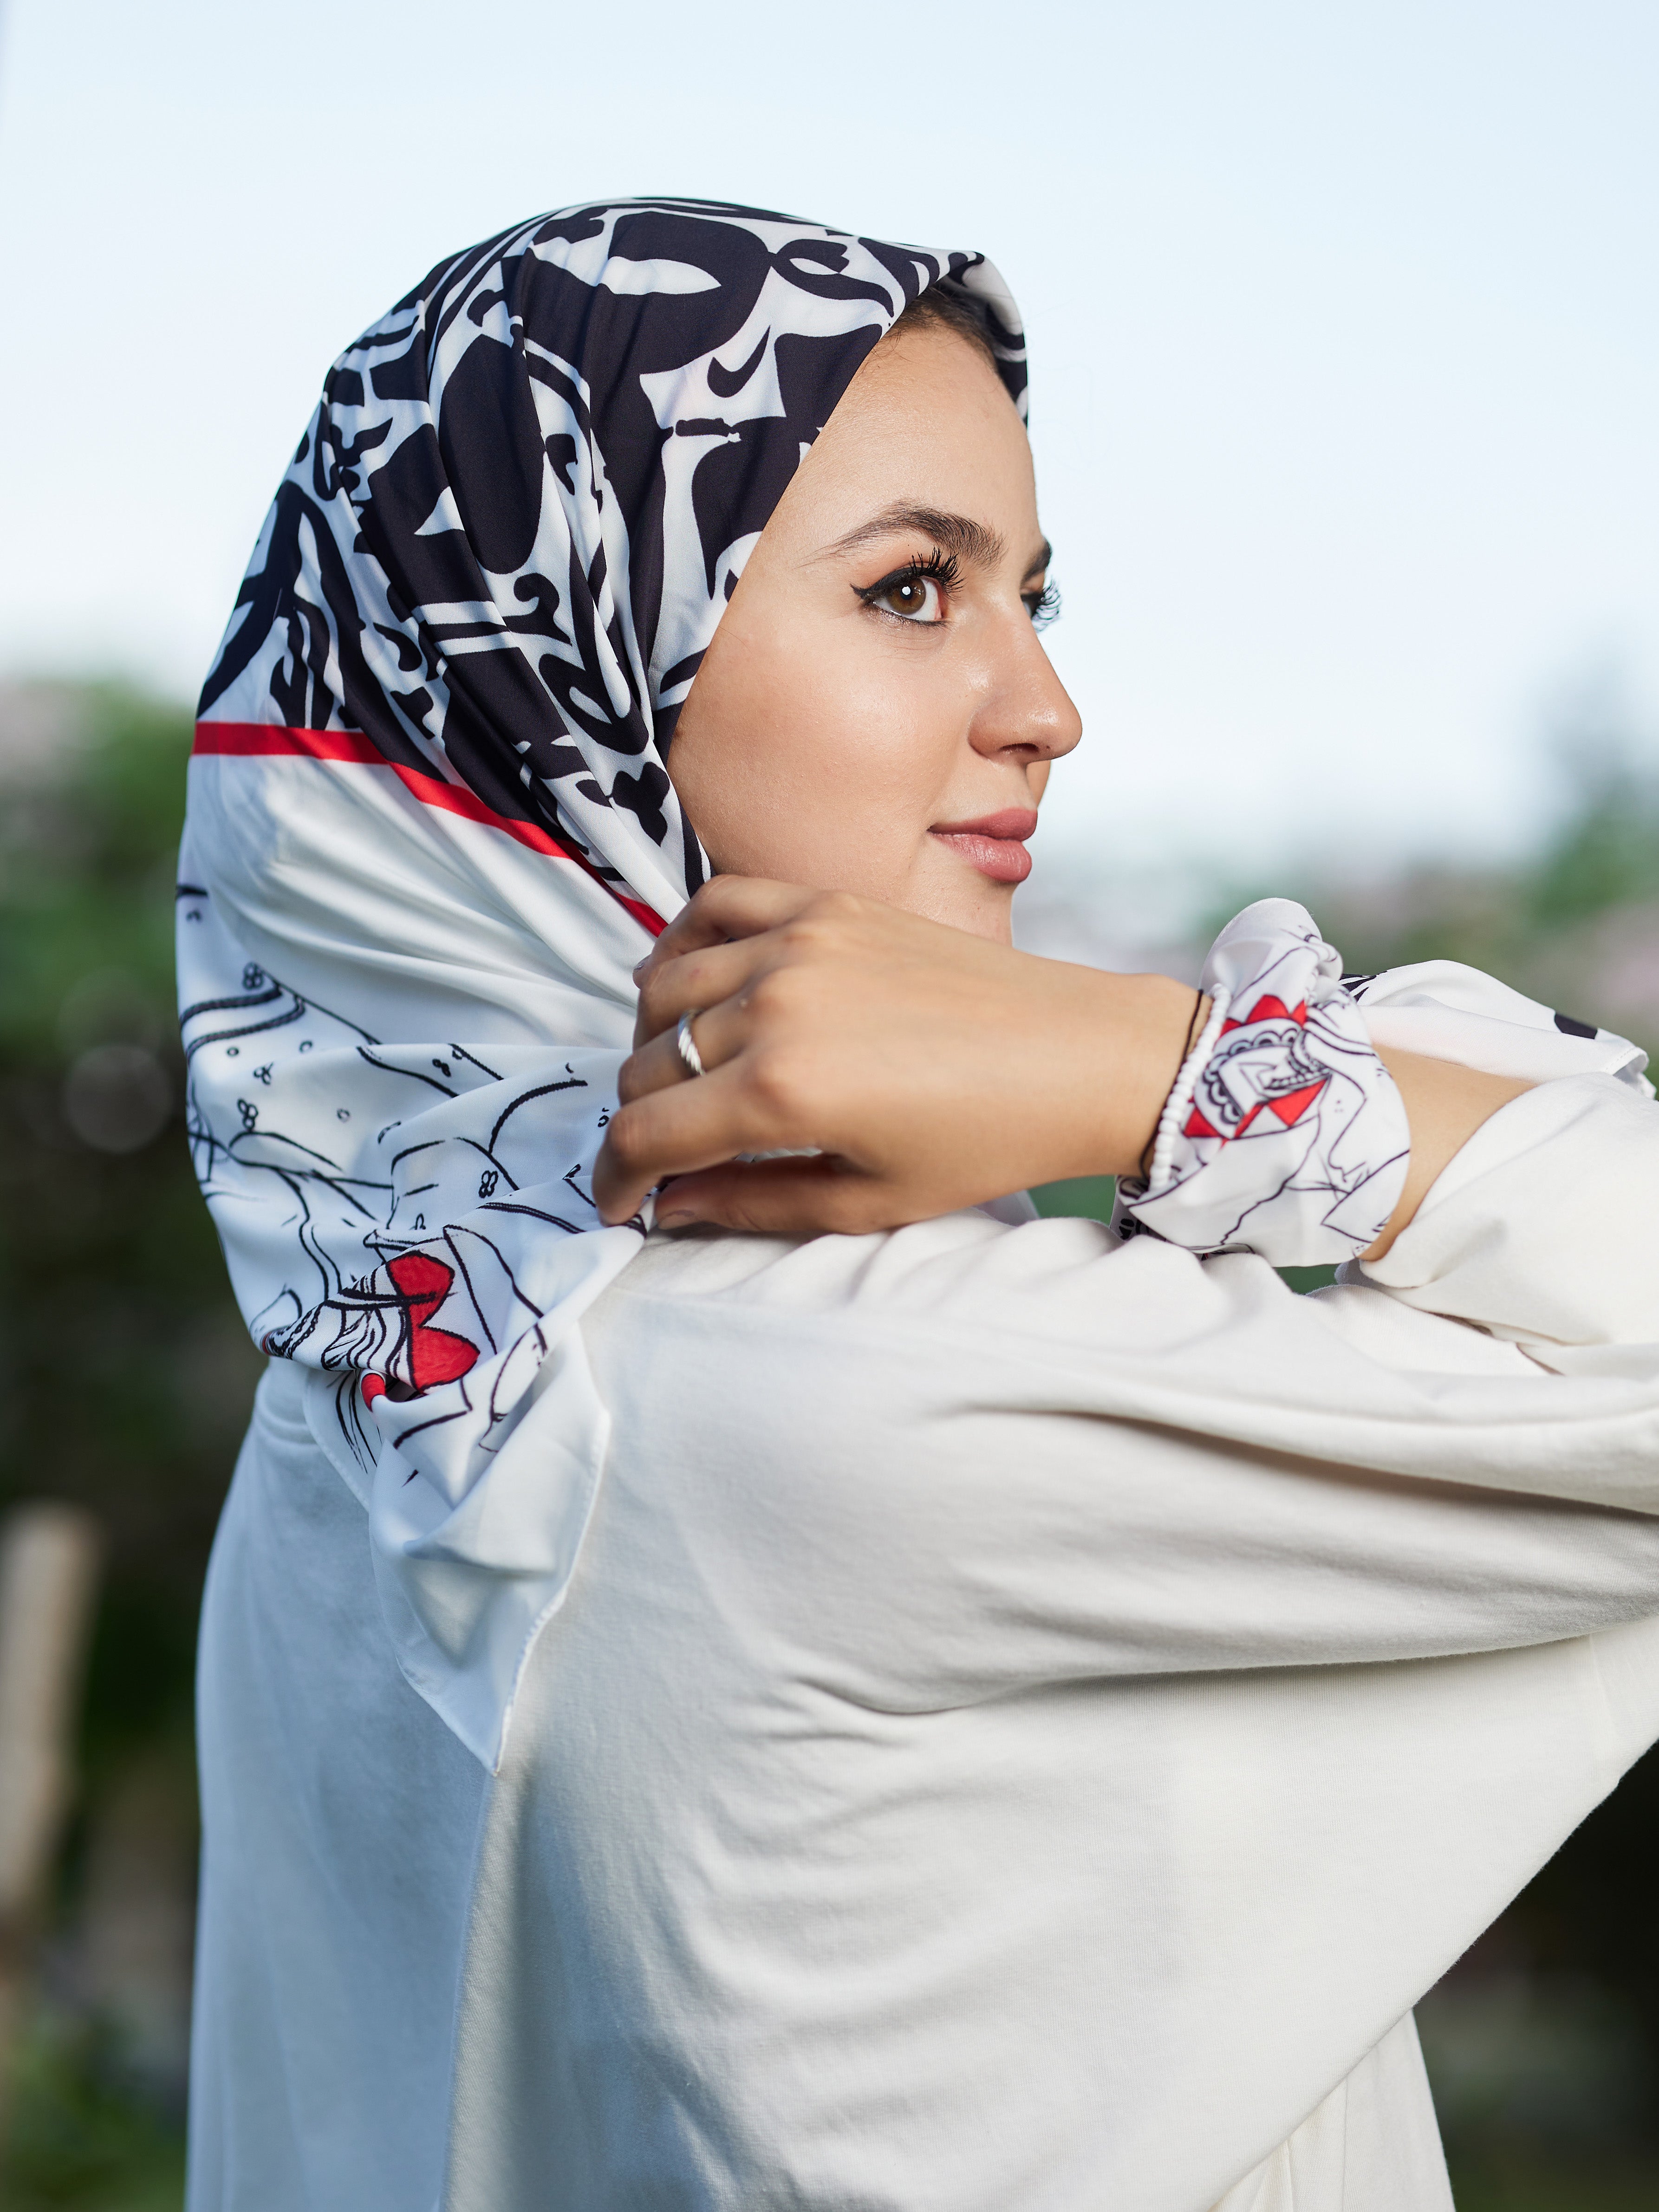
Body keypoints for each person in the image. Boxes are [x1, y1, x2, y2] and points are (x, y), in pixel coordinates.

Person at [179, 199, 1659, 2212]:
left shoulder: (364, 1395)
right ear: (573, 665)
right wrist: (1143, 1063)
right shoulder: (839, 1392)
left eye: (1035, 597)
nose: (1044, 705)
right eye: (906, 592)